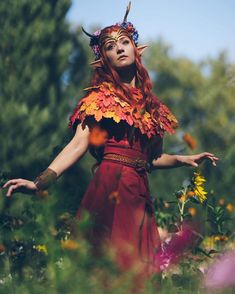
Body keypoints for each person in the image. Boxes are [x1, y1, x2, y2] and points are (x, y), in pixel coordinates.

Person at [3, 2, 218, 281]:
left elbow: (150, 159)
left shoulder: (153, 108)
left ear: (135, 49)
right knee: (109, 268)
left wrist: (184, 159)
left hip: (140, 193)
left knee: (139, 274)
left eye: (125, 42)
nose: (119, 48)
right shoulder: (99, 100)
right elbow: (78, 145)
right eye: (110, 46)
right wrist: (40, 182)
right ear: (103, 58)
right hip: (111, 186)